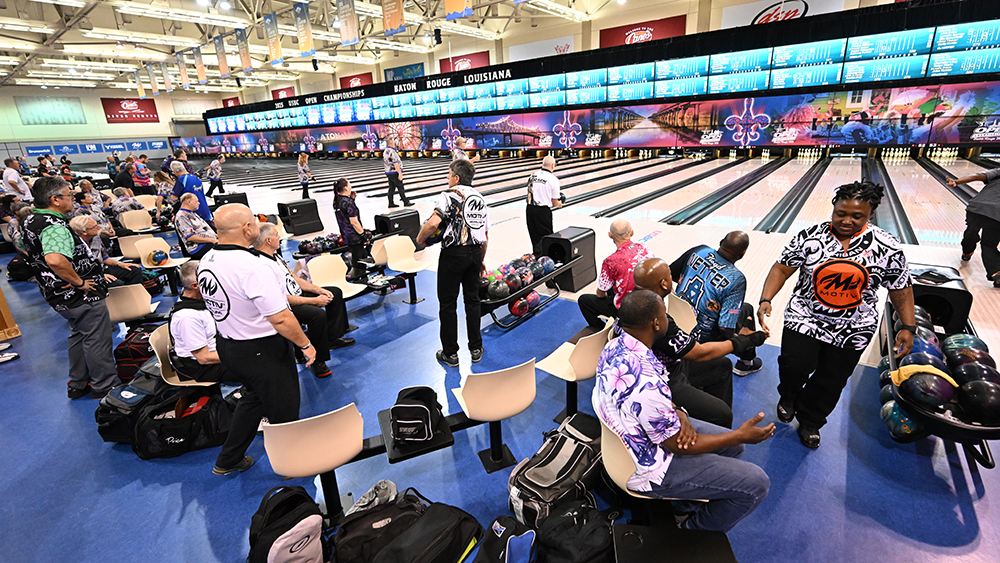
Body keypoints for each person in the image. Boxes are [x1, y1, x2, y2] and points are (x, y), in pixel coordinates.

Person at [594, 289, 773, 533]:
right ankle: (691, 531)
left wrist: (678, 410)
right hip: (649, 467)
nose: (668, 317)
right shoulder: (646, 380)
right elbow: (675, 445)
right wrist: (740, 434)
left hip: (636, 435)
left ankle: (682, 503)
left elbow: (655, 401)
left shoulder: (616, 344)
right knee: (757, 483)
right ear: (657, 323)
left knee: (734, 448)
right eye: (664, 313)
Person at [758, 181, 915, 448]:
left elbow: (900, 287)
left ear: (870, 214)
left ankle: (811, 419)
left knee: (831, 380)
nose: (847, 220)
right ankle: (789, 395)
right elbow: (781, 268)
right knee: (793, 365)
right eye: (841, 213)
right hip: (804, 317)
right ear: (833, 208)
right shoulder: (809, 236)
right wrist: (766, 299)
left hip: (854, 327)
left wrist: (908, 326)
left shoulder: (887, 246)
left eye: (857, 216)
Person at [197, 204, 315, 476]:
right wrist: (306, 345)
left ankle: (228, 459)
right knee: (285, 411)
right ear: (247, 228)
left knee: (253, 400)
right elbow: (281, 318)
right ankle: (293, 465)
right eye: (253, 221)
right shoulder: (251, 266)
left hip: (229, 347)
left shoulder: (209, 259)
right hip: (261, 350)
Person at [634, 257, 766, 429]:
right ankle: (715, 439)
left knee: (723, 366)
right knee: (723, 414)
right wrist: (743, 341)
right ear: (665, 284)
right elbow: (699, 352)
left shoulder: (634, 301)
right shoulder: (657, 320)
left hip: (667, 363)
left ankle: (708, 420)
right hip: (663, 380)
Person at [21, 177, 119, 399]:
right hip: (80, 295)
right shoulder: (54, 226)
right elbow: (55, 260)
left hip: (57, 294)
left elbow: (26, 249)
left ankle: (78, 383)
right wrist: (79, 281)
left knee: (79, 335)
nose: (73, 199)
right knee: (97, 338)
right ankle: (104, 385)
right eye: (69, 195)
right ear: (55, 200)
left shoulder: (31, 219)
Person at [255, 222, 355, 378]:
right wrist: (315, 301)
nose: (280, 237)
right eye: (276, 235)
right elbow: (281, 298)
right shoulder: (261, 265)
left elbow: (294, 279)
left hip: (297, 295)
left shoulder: (276, 256)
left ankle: (331, 339)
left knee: (334, 292)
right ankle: (318, 361)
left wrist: (319, 289)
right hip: (285, 305)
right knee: (316, 314)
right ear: (268, 240)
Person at [417, 159, 490, 367]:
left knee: (448, 305)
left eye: (448, 175)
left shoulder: (449, 195)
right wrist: (481, 259)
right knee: (472, 301)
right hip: (475, 253)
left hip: (453, 255)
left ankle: (450, 353)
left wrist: (420, 240)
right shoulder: (480, 198)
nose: (447, 178)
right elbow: (484, 234)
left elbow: (432, 223)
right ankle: (476, 348)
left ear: (456, 177)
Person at [670, 232, 763, 376]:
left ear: (721, 242)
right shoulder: (736, 279)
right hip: (702, 339)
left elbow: (672, 273)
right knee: (747, 312)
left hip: (675, 322)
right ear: (743, 253)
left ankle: (746, 361)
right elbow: (725, 328)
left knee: (745, 308)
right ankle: (746, 363)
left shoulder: (699, 250)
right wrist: (741, 339)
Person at [578, 220, 650, 330]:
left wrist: (605, 294)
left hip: (626, 311)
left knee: (584, 300)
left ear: (610, 235)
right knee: (614, 285)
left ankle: (601, 330)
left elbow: (601, 293)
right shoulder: (646, 249)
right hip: (649, 304)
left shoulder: (610, 261)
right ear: (632, 233)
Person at [167, 261, 230, 383]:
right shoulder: (187, 317)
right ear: (196, 286)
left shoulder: (203, 301)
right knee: (262, 368)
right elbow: (204, 358)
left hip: (220, 348)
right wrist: (243, 356)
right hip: (204, 368)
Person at [947, 169, 1000, 287]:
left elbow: (978, 176)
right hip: (997, 215)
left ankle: (967, 252)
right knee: (989, 243)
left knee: (971, 232)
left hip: (977, 208)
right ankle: (996, 272)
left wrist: (956, 181)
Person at [68, 215, 144, 287]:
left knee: (134, 270)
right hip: (86, 276)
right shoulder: (72, 246)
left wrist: (120, 264)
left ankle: (134, 296)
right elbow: (75, 271)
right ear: (84, 232)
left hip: (102, 269)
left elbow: (105, 258)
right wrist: (100, 276)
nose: (100, 227)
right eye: (95, 227)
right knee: (116, 283)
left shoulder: (96, 238)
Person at [333, 178, 373, 279]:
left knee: (362, 254)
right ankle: (359, 280)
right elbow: (354, 222)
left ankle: (363, 279)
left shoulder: (337, 200)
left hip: (346, 234)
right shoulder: (349, 203)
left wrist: (351, 199)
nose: (351, 186)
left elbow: (344, 213)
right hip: (355, 236)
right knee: (359, 259)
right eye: (349, 184)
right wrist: (363, 235)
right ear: (346, 188)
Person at [525, 156, 563, 255]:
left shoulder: (532, 176)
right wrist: (560, 204)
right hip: (542, 211)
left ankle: (537, 257)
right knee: (546, 238)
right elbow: (554, 202)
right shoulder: (553, 179)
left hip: (529, 209)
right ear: (552, 165)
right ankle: (546, 260)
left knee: (534, 237)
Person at [175, 193, 218, 260]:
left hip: (207, 243)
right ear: (189, 202)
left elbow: (204, 229)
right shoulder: (182, 216)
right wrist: (212, 240)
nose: (199, 203)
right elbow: (190, 237)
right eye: (196, 201)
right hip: (198, 247)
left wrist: (216, 236)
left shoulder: (191, 213)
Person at [383, 138, 411, 207]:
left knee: (391, 188)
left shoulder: (386, 151)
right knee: (400, 187)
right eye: (394, 142)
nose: (395, 144)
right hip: (394, 172)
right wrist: (400, 173)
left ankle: (390, 203)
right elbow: (396, 164)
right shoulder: (392, 152)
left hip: (388, 172)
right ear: (391, 143)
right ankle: (406, 202)